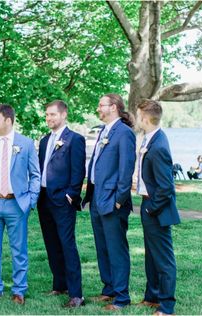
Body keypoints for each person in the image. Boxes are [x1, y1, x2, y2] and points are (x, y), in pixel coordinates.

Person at [0, 104, 40, 305]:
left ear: (8, 121)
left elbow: (35, 175)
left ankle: (19, 290)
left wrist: (30, 201)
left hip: (16, 204)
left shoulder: (26, 143)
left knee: (19, 249)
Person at [82, 93, 136, 311]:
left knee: (116, 249)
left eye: (101, 105)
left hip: (113, 201)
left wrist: (119, 200)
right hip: (97, 198)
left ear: (113, 107)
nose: (98, 109)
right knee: (102, 247)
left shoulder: (124, 133)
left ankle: (122, 297)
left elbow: (126, 169)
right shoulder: (104, 130)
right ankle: (109, 289)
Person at [37, 100, 86, 308]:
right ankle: (59, 284)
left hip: (63, 200)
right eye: (47, 115)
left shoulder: (74, 139)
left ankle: (76, 294)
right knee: (51, 243)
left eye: (53, 115)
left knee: (67, 245)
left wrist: (71, 194)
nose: (49, 119)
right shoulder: (45, 140)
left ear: (63, 115)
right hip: (44, 198)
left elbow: (78, 170)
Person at [136, 99, 180, 316]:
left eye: (137, 115)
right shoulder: (149, 138)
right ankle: (151, 297)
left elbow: (166, 187)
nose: (136, 119)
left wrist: (150, 208)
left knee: (163, 260)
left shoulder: (159, 145)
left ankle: (167, 306)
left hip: (157, 210)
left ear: (145, 118)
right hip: (148, 205)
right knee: (151, 256)